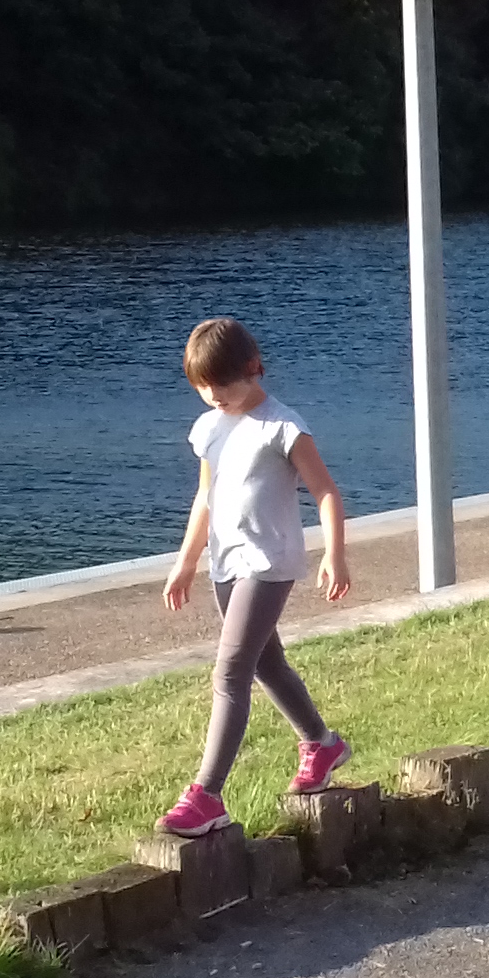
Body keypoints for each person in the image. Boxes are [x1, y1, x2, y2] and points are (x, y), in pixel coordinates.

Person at [157, 316, 353, 836]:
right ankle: (322, 744)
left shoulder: (283, 427)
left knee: (230, 671)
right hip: (227, 561)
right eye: (202, 387)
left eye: (222, 384)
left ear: (252, 367)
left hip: (269, 563)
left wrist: (335, 554)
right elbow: (206, 497)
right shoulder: (211, 429)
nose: (214, 396)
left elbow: (326, 492)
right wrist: (186, 561)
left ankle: (206, 795)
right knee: (267, 662)